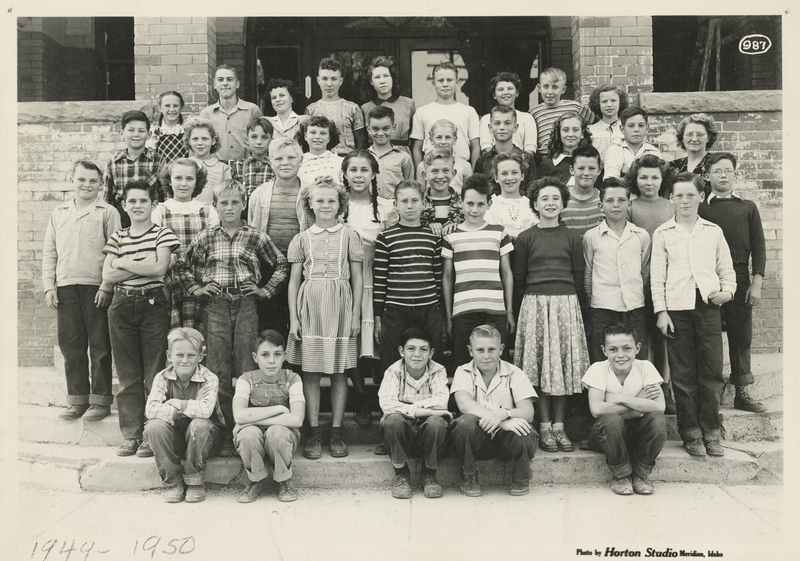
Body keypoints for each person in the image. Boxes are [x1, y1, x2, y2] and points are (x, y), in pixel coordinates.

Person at [183, 179, 289, 456]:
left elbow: (280, 265)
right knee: (217, 368)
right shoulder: (206, 237)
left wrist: (264, 290)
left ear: (244, 205)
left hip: (246, 304)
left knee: (245, 367)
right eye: (223, 203)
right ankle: (220, 428)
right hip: (216, 305)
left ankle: (243, 428)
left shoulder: (255, 236)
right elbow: (182, 266)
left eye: (235, 202)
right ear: (215, 206)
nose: (229, 208)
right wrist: (197, 288)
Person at [651, 172, 736, 458]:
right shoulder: (663, 233)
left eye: (690, 195)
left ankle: (712, 431)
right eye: (679, 195)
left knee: (711, 371)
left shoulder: (712, 230)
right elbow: (657, 277)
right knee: (683, 374)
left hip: (708, 307)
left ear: (701, 196)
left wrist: (728, 291)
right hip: (677, 309)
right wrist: (661, 311)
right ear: (671, 199)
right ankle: (691, 433)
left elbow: (726, 267)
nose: (684, 200)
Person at [286, 176, 364, 460]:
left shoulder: (349, 236)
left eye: (332, 200)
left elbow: (358, 278)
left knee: (339, 372)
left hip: (341, 305)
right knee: (312, 372)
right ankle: (314, 432)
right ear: (310, 204)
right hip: (312, 306)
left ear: (340, 203)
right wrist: (294, 319)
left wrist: (355, 314)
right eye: (319, 200)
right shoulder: (302, 238)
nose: (326, 205)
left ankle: (337, 431)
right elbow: (294, 282)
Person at [102, 181, 180, 457]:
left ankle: (151, 434)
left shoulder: (163, 234)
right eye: (132, 201)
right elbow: (108, 276)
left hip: (153, 304)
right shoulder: (118, 236)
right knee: (127, 374)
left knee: (155, 373)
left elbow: (160, 268)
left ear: (153, 204)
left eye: (143, 201)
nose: (137, 206)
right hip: (121, 305)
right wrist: (138, 264)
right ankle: (131, 435)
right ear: (124, 206)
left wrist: (122, 262)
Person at [514, 177, 590, 454]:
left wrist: (577, 309)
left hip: (566, 306)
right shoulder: (526, 237)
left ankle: (560, 426)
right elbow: (520, 277)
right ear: (535, 204)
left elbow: (580, 277)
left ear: (563, 204)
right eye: (544, 199)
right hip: (535, 306)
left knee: (560, 369)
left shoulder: (572, 237)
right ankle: (544, 425)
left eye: (555, 199)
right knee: (541, 368)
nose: (550, 203)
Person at [43, 159, 121, 421]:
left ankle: (100, 401)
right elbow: (49, 252)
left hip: (96, 288)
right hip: (66, 287)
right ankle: (77, 400)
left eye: (93, 181)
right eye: (81, 179)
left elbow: (115, 252)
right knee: (71, 345)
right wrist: (48, 287)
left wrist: (107, 285)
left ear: (101, 185)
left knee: (100, 345)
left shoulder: (107, 212)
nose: (86, 185)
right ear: (72, 181)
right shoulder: (59, 212)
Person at [698, 153, 767, 413]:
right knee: (708, 336)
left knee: (741, 334)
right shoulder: (701, 208)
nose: (723, 175)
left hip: (739, 276)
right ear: (707, 177)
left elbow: (759, 246)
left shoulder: (747, 207)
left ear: (736, 175)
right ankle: (710, 393)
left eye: (728, 171)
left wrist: (756, 281)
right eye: (717, 171)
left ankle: (742, 390)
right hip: (707, 277)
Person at [341, 150, 398, 425]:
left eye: (364, 170)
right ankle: (360, 395)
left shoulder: (385, 206)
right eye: (353, 170)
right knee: (351, 338)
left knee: (377, 336)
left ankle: (380, 395)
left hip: (378, 275)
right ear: (345, 174)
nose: (359, 175)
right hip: (347, 278)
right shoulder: (339, 206)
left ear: (374, 174)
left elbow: (392, 244)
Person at [450, 325, 538, 497]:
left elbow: (528, 411)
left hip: (505, 443)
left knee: (525, 429)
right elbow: (464, 405)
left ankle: (521, 478)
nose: (486, 356)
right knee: (464, 423)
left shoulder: (515, 373)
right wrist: (502, 421)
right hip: (476, 441)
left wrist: (504, 413)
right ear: (470, 350)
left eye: (492, 349)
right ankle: (469, 476)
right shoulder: (463, 371)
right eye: (480, 350)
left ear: (501, 349)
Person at [581, 323, 667, 496]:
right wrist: (637, 406)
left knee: (658, 420)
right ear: (604, 351)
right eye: (613, 349)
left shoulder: (645, 367)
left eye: (627, 348)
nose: (620, 355)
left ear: (637, 348)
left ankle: (641, 475)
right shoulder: (598, 369)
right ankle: (621, 476)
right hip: (606, 434)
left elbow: (659, 406)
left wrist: (620, 398)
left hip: (637, 433)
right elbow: (597, 410)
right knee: (611, 420)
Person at [144, 327, 226, 503]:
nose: (185, 360)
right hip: (177, 439)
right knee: (154, 426)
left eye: (191, 355)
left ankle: (194, 480)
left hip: (205, 440)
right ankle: (173, 481)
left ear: (200, 356)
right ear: (169, 355)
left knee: (200, 424)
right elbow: (150, 410)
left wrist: (177, 403)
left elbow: (205, 411)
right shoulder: (162, 377)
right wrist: (179, 412)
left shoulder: (209, 378)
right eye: (179, 355)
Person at [374, 179, 444, 383]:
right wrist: (379, 316)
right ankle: (390, 406)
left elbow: (437, 276)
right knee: (391, 358)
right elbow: (380, 281)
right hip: (396, 309)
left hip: (428, 308)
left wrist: (438, 309)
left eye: (415, 200)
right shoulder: (386, 238)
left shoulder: (432, 236)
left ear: (424, 203)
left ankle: (433, 401)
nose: (410, 205)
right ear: (395, 204)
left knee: (433, 356)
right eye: (404, 201)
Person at [442, 174, 515, 367]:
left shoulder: (499, 232)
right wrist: (450, 316)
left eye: (481, 204)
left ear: (489, 204)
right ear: (461, 203)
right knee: (464, 365)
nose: (475, 210)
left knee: (497, 364)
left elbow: (507, 273)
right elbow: (447, 277)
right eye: (470, 203)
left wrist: (509, 311)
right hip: (463, 311)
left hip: (495, 310)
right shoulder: (451, 236)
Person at [626, 154, 676, 412]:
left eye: (654, 177)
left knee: (664, 337)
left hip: (667, 281)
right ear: (635, 180)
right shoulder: (631, 207)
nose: (649, 182)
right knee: (642, 336)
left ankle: (665, 388)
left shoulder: (671, 206)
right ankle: (646, 388)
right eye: (643, 177)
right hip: (638, 280)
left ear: (662, 179)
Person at [248, 138, 313, 336]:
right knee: (270, 320)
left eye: (291, 157)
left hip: (302, 265)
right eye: (279, 158)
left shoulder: (310, 192)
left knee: (300, 317)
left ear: (301, 160)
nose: (285, 162)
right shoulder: (259, 194)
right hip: (269, 265)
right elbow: (253, 230)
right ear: (269, 161)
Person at [582, 177, 651, 363]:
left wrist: (636, 293)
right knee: (602, 357)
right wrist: (593, 300)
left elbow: (644, 271)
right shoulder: (591, 237)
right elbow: (588, 273)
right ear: (600, 206)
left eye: (621, 200)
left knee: (636, 355)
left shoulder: (641, 236)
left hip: (635, 307)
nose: (616, 205)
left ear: (629, 204)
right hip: (602, 307)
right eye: (610, 200)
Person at [378, 327, 451, 499]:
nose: (417, 354)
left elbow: (441, 401)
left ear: (431, 352)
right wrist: (422, 410)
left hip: (428, 432)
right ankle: (401, 473)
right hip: (403, 432)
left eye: (423, 349)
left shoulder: (438, 370)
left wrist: (407, 407)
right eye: (411, 349)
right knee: (393, 420)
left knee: (437, 423)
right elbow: (387, 405)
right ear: (401, 351)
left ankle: (429, 473)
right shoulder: (393, 371)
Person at [234, 330, 305, 503]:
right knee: (248, 434)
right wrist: (280, 409)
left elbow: (296, 419)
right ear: (255, 357)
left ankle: (284, 480)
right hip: (254, 438)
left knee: (276, 433)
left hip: (282, 438)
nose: (272, 360)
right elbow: (239, 415)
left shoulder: (293, 379)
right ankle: (256, 480)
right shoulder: (246, 379)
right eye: (265, 355)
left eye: (277, 354)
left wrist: (250, 419)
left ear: (284, 356)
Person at [153, 158, 217, 331]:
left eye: (189, 179)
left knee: (200, 329)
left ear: (197, 181)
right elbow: (154, 249)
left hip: (200, 278)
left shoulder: (207, 211)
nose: (183, 184)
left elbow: (215, 247)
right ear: (169, 180)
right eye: (178, 178)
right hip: (170, 279)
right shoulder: (161, 211)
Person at [410, 61, 481, 169]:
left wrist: (474, 175)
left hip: (461, 167)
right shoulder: (422, 112)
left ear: (457, 82)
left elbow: (475, 146)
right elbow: (417, 147)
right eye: (440, 80)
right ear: (433, 83)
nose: (445, 84)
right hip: (432, 167)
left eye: (449, 80)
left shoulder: (469, 111)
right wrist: (420, 172)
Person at [103, 110, 165, 228]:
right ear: (122, 133)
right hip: (122, 216)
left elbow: (165, 194)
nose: (136, 135)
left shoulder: (158, 160)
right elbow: (107, 197)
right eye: (131, 130)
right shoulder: (114, 161)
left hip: (151, 215)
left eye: (141, 131)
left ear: (148, 135)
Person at [200, 64, 263, 162]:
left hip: (246, 167)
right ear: (215, 84)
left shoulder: (252, 110)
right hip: (217, 168)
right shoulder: (206, 114)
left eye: (229, 79)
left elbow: (263, 139)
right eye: (220, 80)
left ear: (237, 84)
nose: (225, 83)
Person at [529, 67, 595, 158]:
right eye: (546, 86)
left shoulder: (575, 107)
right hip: (544, 157)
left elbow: (595, 124)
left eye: (555, 87)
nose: (550, 92)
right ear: (539, 88)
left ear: (563, 90)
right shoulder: (534, 112)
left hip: (571, 154)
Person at [306, 57, 367, 155]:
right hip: (321, 161)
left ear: (341, 81)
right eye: (325, 79)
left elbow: (360, 142)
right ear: (318, 80)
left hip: (347, 161)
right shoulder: (311, 110)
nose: (329, 84)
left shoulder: (353, 108)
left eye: (334, 79)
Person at [474, 105, 538, 197]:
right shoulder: (482, 161)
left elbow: (533, 192)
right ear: (490, 127)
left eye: (507, 123)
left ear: (515, 127)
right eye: (497, 123)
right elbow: (478, 193)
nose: (502, 127)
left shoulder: (527, 158)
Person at [360, 56, 416, 156]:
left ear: (392, 78)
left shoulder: (408, 104)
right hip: (375, 155)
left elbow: (415, 140)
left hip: (402, 155)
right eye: (377, 77)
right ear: (371, 82)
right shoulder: (365, 108)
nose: (382, 81)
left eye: (386, 76)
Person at [478, 72, 537, 156]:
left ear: (517, 93)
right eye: (500, 89)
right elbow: (486, 149)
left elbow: (530, 150)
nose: (506, 92)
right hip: (494, 166)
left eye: (510, 88)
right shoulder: (486, 119)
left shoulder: (527, 118)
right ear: (494, 95)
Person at [483, 152, 538, 239]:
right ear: (496, 178)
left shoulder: (531, 206)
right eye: (504, 173)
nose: (510, 178)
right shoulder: (491, 206)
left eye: (514, 172)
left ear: (522, 176)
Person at [366, 105, 414, 200]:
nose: (380, 133)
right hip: (370, 208)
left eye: (385, 128)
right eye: (375, 129)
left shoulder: (404, 158)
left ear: (393, 128)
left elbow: (409, 187)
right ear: (369, 130)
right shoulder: (363, 158)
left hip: (394, 209)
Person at [415, 119, 473, 192]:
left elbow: (469, 194)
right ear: (431, 139)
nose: (443, 142)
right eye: (439, 137)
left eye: (448, 137)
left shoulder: (465, 166)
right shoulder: (423, 166)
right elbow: (420, 193)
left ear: (455, 139)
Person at [183, 116, 231, 204]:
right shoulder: (184, 165)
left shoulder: (223, 168)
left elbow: (227, 197)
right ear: (189, 141)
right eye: (195, 139)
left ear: (213, 141)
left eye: (205, 139)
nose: (200, 143)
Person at [603, 107, 661, 178]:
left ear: (646, 128)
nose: (636, 129)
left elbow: (658, 181)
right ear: (622, 129)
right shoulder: (614, 150)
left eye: (641, 125)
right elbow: (611, 181)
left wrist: (628, 171)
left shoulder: (654, 152)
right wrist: (643, 175)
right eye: (631, 126)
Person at [419, 148, 464, 236]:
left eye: (445, 171)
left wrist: (458, 228)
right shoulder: (418, 202)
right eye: (434, 171)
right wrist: (427, 227)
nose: (440, 176)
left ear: (453, 173)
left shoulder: (464, 201)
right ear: (425, 175)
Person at [560, 145, 604, 235]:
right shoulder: (561, 200)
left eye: (592, 168)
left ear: (599, 170)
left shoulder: (604, 200)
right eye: (581, 168)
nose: (586, 173)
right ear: (571, 170)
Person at [229, 116, 275, 202]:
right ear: (247, 140)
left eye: (264, 137)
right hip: (246, 212)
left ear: (271, 141)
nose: (259, 142)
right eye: (254, 137)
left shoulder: (275, 165)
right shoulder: (239, 166)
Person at [537, 112, 591, 184]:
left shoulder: (590, 160)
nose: (570, 134)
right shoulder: (547, 164)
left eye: (575, 130)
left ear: (582, 134)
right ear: (559, 133)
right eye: (565, 130)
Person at [297, 115, 344, 185]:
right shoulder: (299, 162)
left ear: (329, 138)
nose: (317, 137)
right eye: (313, 132)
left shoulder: (339, 162)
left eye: (323, 133)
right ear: (306, 136)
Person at [587, 85, 628, 163]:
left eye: (613, 100)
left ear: (620, 103)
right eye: (604, 101)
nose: (609, 105)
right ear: (598, 104)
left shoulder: (626, 128)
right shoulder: (591, 130)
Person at [669, 113, 718, 177]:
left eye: (699, 134)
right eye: (689, 134)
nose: (694, 139)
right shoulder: (672, 167)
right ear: (682, 138)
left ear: (708, 138)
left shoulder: (717, 164)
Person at [146, 91, 189, 164]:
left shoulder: (187, 131)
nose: (171, 110)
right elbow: (151, 160)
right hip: (162, 173)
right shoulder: (154, 133)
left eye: (175, 106)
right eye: (167, 106)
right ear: (160, 108)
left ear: (181, 108)